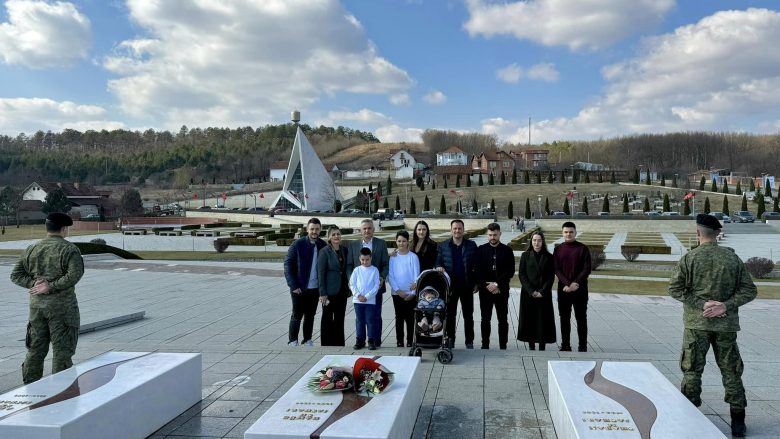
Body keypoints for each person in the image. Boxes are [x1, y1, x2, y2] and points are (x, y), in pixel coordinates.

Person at [668, 214, 756, 437]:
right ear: (718, 234)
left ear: (698, 233)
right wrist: (725, 306)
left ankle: (689, 416)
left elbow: (675, 289)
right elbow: (749, 290)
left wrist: (702, 304)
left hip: (697, 325)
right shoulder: (732, 259)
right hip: (725, 326)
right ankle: (738, 421)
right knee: (731, 371)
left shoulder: (690, 259)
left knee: (692, 370)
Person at [10, 212, 84, 384]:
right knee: (62, 351)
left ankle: (29, 389)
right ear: (64, 229)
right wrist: (49, 286)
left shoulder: (32, 249)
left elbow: (15, 275)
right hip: (62, 309)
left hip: (37, 309)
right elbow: (74, 275)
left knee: (35, 349)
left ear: (47, 228)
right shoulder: (69, 249)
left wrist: (34, 284)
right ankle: (61, 391)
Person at [283, 218, 327, 347]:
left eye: (317, 229)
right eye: (312, 229)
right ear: (307, 229)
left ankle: (307, 339)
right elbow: (288, 265)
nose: (314, 231)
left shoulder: (323, 245)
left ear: (320, 230)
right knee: (297, 314)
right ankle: (293, 340)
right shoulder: (298, 244)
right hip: (299, 288)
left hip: (314, 288)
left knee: (310, 315)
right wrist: (294, 285)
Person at [435, 219, 478, 349]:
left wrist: (476, 283)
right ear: (451, 230)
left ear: (463, 230)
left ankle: (469, 341)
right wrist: (438, 267)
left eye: (459, 228)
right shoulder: (443, 246)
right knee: (450, 316)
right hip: (450, 288)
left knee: (468, 316)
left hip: (466, 286)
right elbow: (437, 262)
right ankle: (450, 340)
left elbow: (477, 265)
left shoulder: (471, 245)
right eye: (455, 228)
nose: (457, 231)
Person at [347, 219, 389, 348]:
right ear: (360, 230)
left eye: (369, 228)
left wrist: (382, 277)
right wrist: (350, 281)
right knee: (360, 318)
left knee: (375, 316)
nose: (367, 231)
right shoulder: (353, 245)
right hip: (359, 291)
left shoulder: (381, 243)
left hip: (376, 288)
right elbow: (349, 265)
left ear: (373, 230)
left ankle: (375, 340)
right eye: (364, 228)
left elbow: (385, 264)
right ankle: (360, 340)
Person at [474, 223, 515, 349]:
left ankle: (503, 345)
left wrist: (496, 284)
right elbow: (477, 270)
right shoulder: (481, 249)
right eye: (490, 235)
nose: (492, 237)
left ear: (500, 234)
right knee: (485, 319)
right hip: (485, 290)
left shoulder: (507, 250)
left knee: (502, 319)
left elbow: (510, 271)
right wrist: (486, 285)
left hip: (501, 290)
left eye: (495, 235)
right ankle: (485, 344)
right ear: (487, 235)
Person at [553, 221, 592, 352]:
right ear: (562, 233)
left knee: (581, 318)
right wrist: (568, 284)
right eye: (566, 232)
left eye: (571, 232)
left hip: (580, 290)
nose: (568, 234)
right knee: (564, 319)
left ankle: (582, 346)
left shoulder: (583, 248)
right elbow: (556, 269)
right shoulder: (558, 249)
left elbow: (587, 269)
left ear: (575, 232)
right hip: (563, 290)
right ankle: (565, 345)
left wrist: (576, 283)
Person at [517, 231, 556, 351]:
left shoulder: (549, 257)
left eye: (539, 240)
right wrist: (531, 291)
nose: (536, 243)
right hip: (529, 294)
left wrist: (542, 291)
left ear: (543, 242)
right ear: (531, 241)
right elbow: (522, 275)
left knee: (543, 320)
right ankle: (531, 345)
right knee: (530, 320)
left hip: (543, 294)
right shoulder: (525, 255)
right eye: (534, 240)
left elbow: (551, 276)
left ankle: (542, 345)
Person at [317, 226, 350, 346]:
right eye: (334, 234)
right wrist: (322, 293)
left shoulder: (345, 250)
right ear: (329, 237)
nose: (337, 236)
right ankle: (326, 344)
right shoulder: (324, 252)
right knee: (327, 318)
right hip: (329, 291)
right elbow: (321, 273)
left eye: (338, 234)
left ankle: (339, 343)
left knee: (340, 318)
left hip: (342, 290)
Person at [388, 230, 420, 347]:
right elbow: (390, 275)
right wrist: (398, 290)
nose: (401, 243)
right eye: (399, 241)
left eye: (404, 241)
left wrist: (412, 292)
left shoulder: (413, 257)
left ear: (408, 242)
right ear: (396, 242)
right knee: (399, 318)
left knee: (410, 318)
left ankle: (410, 341)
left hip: (410, 294)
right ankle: (400, 341)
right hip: (397, 294)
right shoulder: (393, 258)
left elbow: (417, 276)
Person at [350, 248, 380, 350]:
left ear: (371, 258)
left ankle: (371, 340)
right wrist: (358, 295)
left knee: (370, 320)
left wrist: (367, 296)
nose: (365, 262)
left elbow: (376, 286)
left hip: (369, 301)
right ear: (359, 258)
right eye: (363, 260)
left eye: (367, 259)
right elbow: (352, 284)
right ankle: (360, 340)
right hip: (358, 301)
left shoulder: (375, 270)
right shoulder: (356, 270)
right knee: (359, 320)